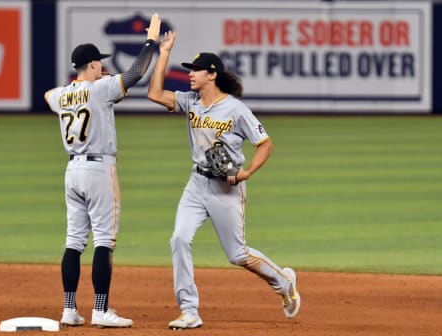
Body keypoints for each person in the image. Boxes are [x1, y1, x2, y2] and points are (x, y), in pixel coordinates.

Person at [147, 31, 301, 330]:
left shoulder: (236, 109)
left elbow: (265, 144)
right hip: (196, 183)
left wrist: (246, 173)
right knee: (179, 238)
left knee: (238, 255)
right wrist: (163, 52)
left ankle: (283, 282)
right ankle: (189, 310)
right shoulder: (191, 102)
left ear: (212, 75)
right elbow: (154, 94)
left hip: (225, 189)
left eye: (196, 71)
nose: (190, 75)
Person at [44, 13, 161, 328]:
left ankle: (69, 309)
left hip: (72, 173)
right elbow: (136, 73)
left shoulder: (60, 94)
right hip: (98, 171)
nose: (102, 67)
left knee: (73, 240)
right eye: (98, 64)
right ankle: (100, 310)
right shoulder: (101, 88)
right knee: (104, 241)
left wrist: (77, 88)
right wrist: (151, 42)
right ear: (93, 65)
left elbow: (48, 97)